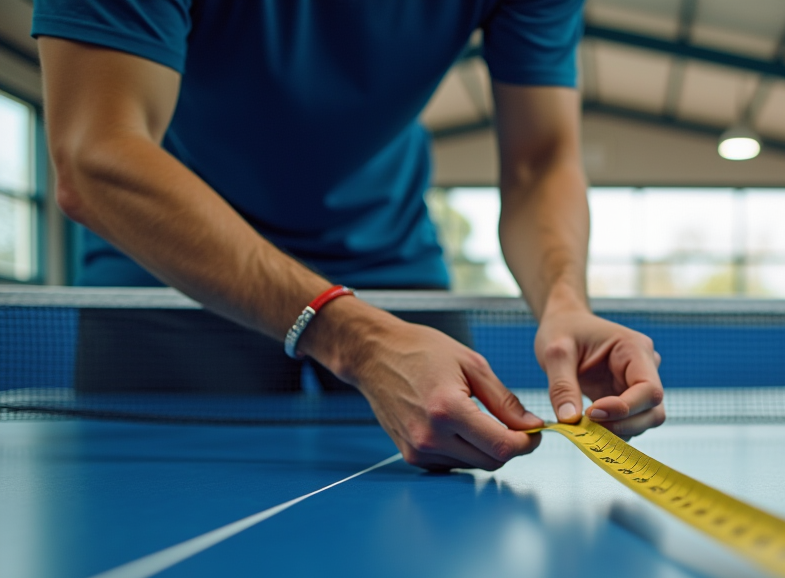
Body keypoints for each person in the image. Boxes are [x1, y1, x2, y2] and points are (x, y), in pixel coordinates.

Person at [32, 0, 665, 471]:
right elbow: (98, 154)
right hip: (170, 264)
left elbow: (540, 161)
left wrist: (564, 301)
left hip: (391, 268)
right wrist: (353, 338)